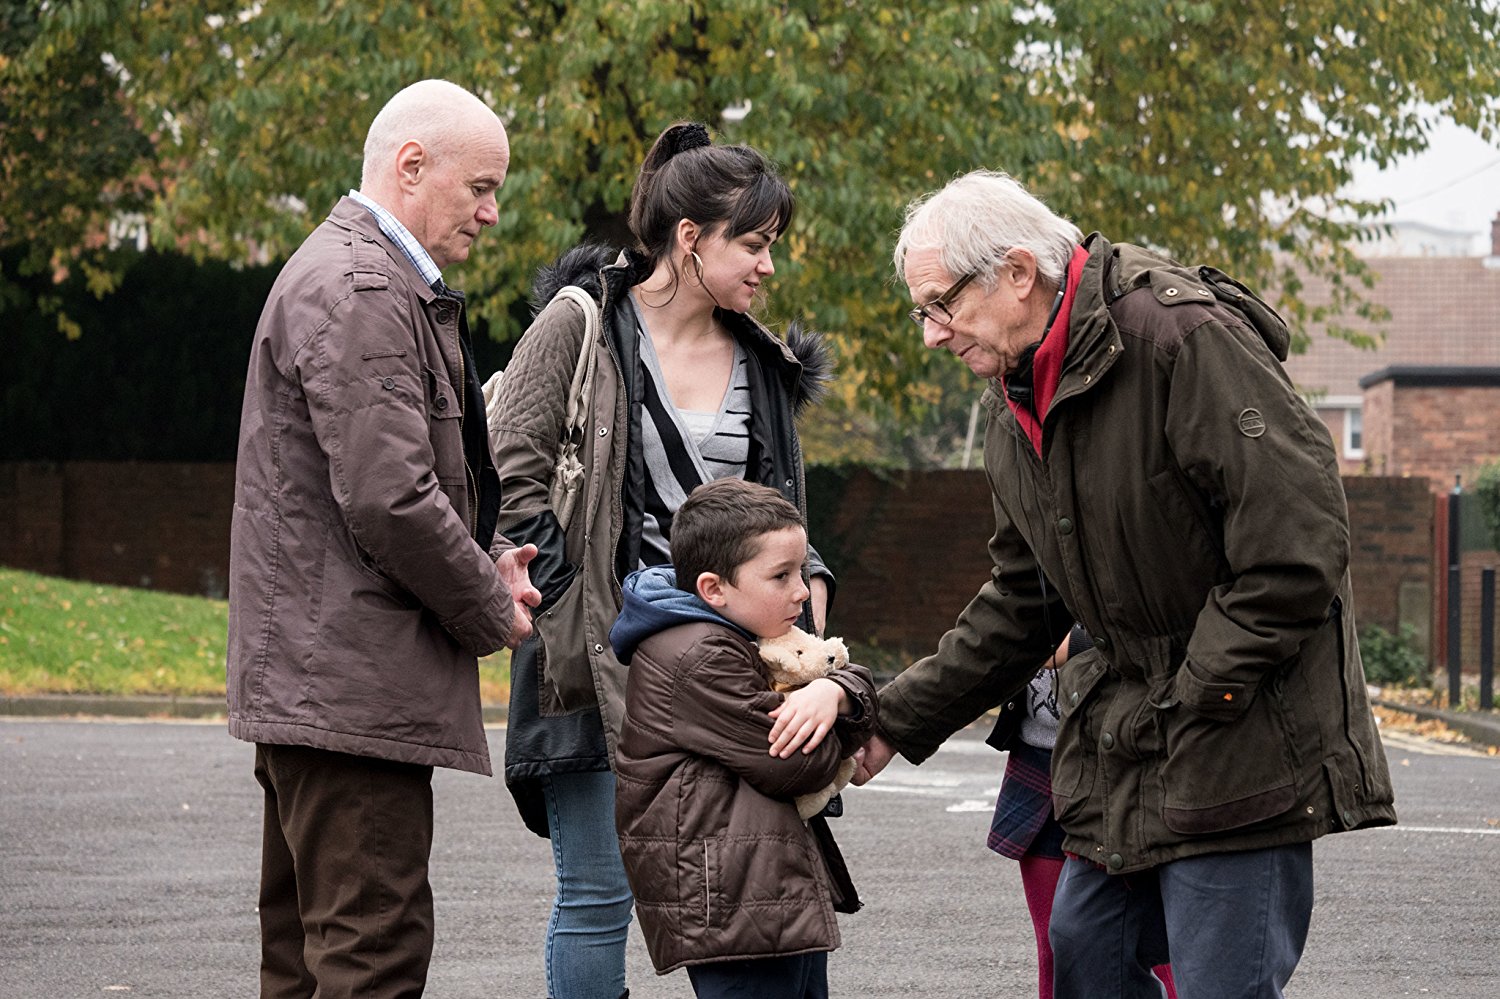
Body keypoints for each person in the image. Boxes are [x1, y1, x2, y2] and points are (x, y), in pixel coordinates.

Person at [852, 170, 1396, 999]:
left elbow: (1298, 549)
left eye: (939, 304)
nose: (930, 333)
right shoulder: (1014, 396)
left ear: (1018, 274)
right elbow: (1023, 601)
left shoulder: (1181, 339)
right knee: (1087, 956)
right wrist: (890, 720)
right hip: (1128, 744)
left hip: (1238, 737)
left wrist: (1195, 695)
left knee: (1221, 985)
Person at [487, 122, 835, 999]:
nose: (766, 266)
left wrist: (810, 589)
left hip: (731, 668)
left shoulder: (763, 361)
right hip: (600, 663)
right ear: (690, 239)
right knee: (599, 897)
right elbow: (506, 473)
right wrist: (569, 607)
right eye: (752, 244)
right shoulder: (581, 325)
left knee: (744, 890)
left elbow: (779, 512)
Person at [226, 79, 542, 998]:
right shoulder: (367, 287)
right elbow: (392, 497)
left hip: (322, 685)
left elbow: (364, 493)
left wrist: (483, 562)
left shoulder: (348, 274)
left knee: (305, 963)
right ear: (412, 167)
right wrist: (487, 603)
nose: (491, 212)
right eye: (480, 186)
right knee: (372, 958)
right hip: (350, 701)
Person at [608, 477, 875, 996]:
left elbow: (840, 670)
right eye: (781, 575)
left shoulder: (736, 631)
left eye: (801, 570)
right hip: (733, 901)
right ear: (713, 589)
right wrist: (842, 717)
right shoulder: (698, 654)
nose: (802, 589)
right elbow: (798, 762)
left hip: (757, 888)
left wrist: (835, 694)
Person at [987, 626, 1176, 999]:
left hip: (1124, 765)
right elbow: (994, 627)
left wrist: (1080, 642)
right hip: (1038, 764)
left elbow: (1172, 627)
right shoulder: (1031, 569)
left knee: (1155, 945)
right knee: (1056, 949)